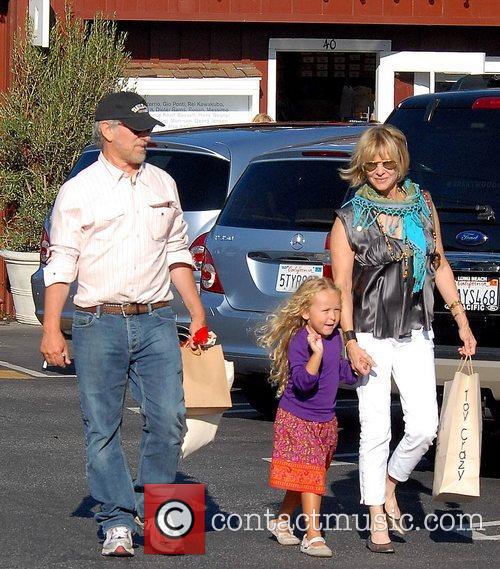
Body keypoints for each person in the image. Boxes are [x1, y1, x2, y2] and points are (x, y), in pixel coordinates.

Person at [40, 91, 206, 557]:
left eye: (149, 129)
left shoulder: (163, 184)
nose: (146, 137)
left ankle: (154, 512)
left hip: (156, 318)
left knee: (170, 419)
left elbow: (177, 251)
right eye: (137, 130)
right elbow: (62, 261)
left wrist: (195, 310)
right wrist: (52, 327)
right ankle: (116, 520)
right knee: (102, 426)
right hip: (97, 322)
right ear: (108, 131)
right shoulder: (78, 191)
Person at [330, 125, 476, 553]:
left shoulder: (422, 204)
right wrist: (349, 340)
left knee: (424, 428)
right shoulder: (350, 216)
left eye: (387, 163)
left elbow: (439, 264)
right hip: (370, 333)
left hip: (416, 329)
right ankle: (375, 514)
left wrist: (461, 320)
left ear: (400, 162)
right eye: (371, 163)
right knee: (374, 427)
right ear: (362, 165)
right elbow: (341, 285)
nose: (379, 170)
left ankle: (391, 483)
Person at [259, 277, 357, 558]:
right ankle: (312, 536)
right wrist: (316, 354)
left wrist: (358, 368)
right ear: (305, 312)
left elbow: (340, 372)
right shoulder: (301, 340)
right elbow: (303, 382)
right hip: (297, 418)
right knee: (311, 476)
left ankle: (281, 520)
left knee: (305, 478)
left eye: (336, 310)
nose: (332, 317)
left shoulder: (335, 339)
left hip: (326, 422)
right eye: (325, 310)